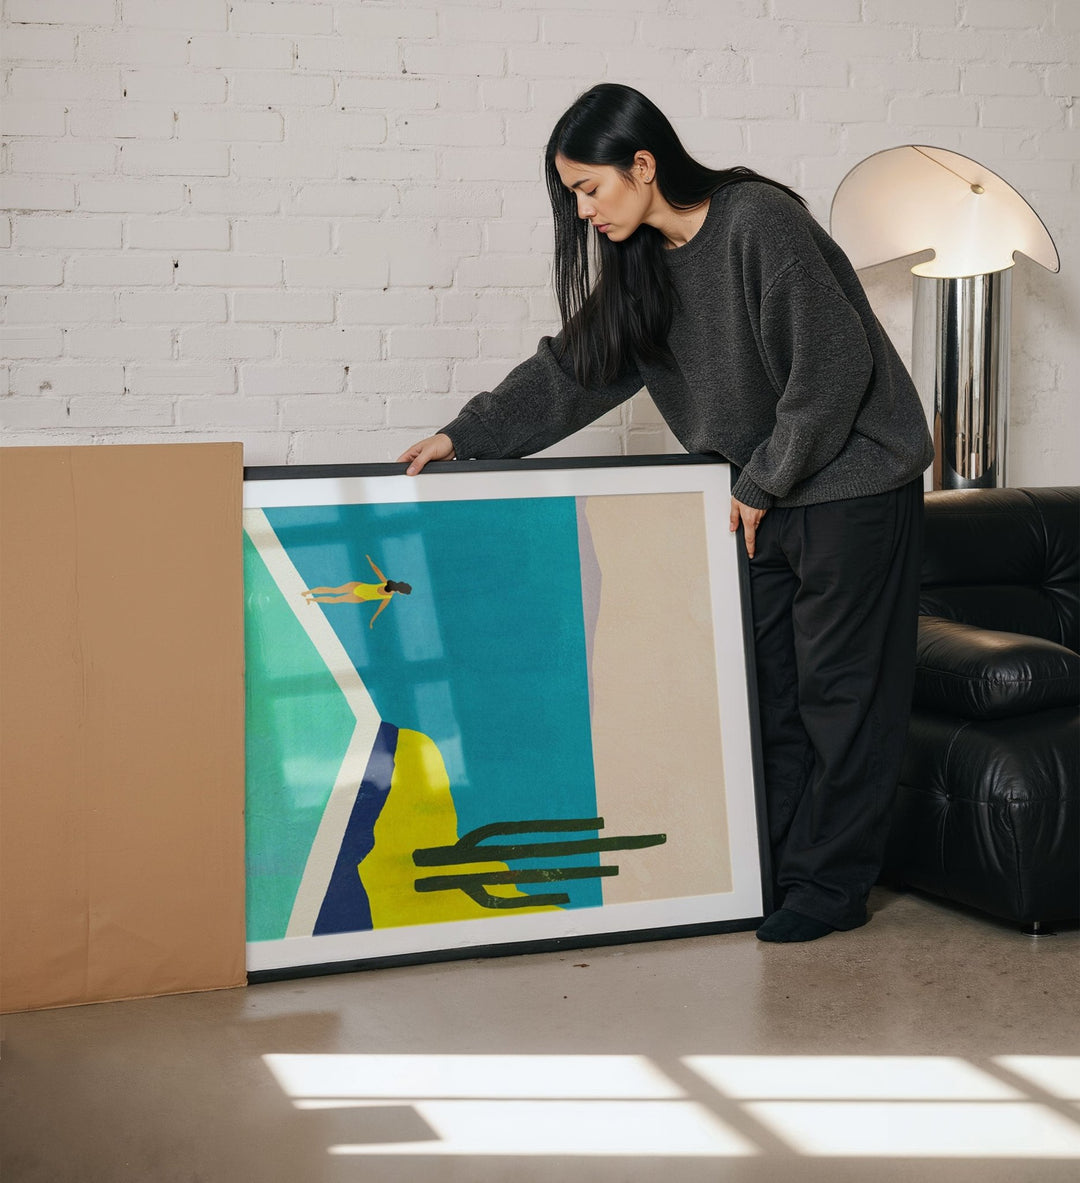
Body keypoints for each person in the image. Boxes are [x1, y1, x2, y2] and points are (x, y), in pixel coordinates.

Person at [397, 83, 934, 943]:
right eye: (571, 195)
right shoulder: (643, 263)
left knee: (843, 694)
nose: (582, 212)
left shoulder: (757, 222)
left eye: (590, 188)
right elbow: (576, 369)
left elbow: (831, 371)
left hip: (851, 479)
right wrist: (468, 435)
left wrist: (762, 481)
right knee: (769, 694)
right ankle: (776, 871)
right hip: (763, 492)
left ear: (643, 165)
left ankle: (828, 888)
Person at [302, 555, 412, 628]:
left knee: (334, 592)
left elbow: (376, 570)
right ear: (401, 592)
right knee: (336, 598)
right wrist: (372, 621)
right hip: (359, 594)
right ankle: (310, 597)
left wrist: (369, 560)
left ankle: (309, 595)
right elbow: (379, 609)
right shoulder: (388, 596)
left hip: (358, 589)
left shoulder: (386, 582)